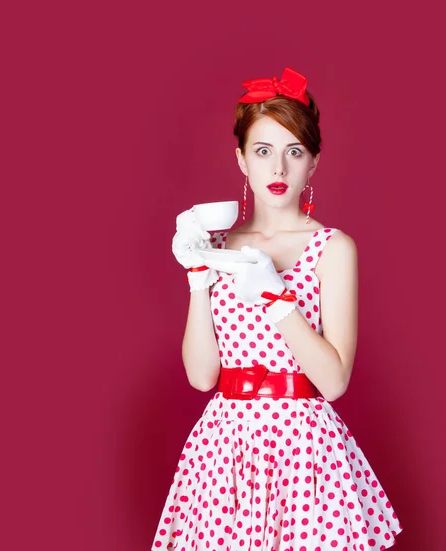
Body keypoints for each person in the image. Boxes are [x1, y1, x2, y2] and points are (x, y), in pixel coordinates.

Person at [151, 67, 403, 551]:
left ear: (314, 163)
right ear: (242, 160)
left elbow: (334, 382)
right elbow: (202, 378)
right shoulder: (217, 246)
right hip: (226, 448)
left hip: (305, 449)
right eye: (263, 151)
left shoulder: (333, 248)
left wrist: (277, 297)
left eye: (295, 152)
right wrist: (198, 275)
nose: (279, 170)